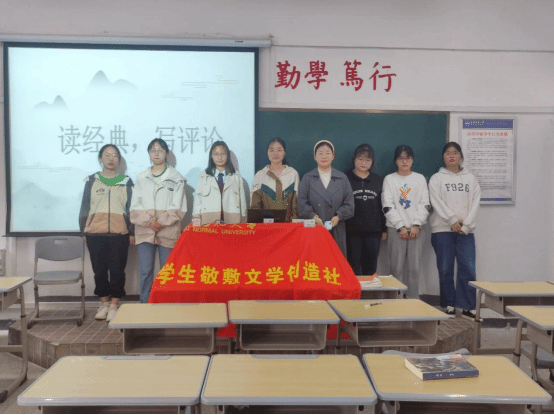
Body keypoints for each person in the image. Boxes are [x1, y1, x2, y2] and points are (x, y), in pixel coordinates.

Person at [79, 144, 134, 322]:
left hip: (120, 234)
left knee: (118, 271)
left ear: (119, 159)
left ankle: (114, 305)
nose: (111, 158)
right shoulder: (92, 180)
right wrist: (83, 231)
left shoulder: (126, 181)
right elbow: (84, 207)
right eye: (107, 155)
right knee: (99, 271)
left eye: (115, 155)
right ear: (100, 158)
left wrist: (132, 231)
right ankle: (104, 304)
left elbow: (132, 209)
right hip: (95, 233)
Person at [130, 139, 187, 303]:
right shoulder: (141, 177)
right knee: (145, 272)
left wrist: (161, 221)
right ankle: (145, 305)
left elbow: (179, 207)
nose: (156, 153)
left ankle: (167, 306)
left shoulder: (176, 178)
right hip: (145, 230)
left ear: (166, 153)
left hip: (167, 230)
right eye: (153, 150)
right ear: (149, 153)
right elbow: (135, 206)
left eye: (160, 150)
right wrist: (149, 222)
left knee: (167, 272)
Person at [429, 142, 481, 319]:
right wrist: (451, 220)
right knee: (445, 269)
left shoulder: (471, 179)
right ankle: (449, 304)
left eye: (455, 153)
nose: (452, 156)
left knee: (468, 268)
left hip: (465, 231)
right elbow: (436, 202)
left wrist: (466, 225)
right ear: (443, 157)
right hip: (442, 230)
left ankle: (468, 306)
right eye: (448, 153)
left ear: (461, 156)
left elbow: (475, 203)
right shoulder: (436, 178)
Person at [382, 145, 430, 299]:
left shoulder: (420, 178)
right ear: (395, 161)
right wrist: (400, 227)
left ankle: (413, 300)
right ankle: (396, 300)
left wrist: (416, 225)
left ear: (412, 160)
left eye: (408, 158)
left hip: (417, 230)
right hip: (395, 230)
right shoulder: (389, 179)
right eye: (401, 158)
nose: (404, 161)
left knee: (414, 269)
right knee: (396, 268)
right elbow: (387, 206)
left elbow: (425, 204)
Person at [298, 140, 354, 257]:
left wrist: (339, 216)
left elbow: (349, 204)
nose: (324, 156)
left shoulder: (342, 178)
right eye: (320, 153)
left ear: (333, 156)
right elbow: (302, 203)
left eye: (328, 153)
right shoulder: (307, 178)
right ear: (315, 156)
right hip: (314, 228)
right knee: (315, 261)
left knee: (335, 261)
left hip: (337, 229)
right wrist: (312, 216)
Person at [345, 144, 387, 275]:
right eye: (360, 159)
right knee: (353, 268)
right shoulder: (345, 179)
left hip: (373, 232)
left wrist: (384, 229)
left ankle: (369, 290)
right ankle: (355, 290)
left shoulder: (378, 180)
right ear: (354, 159)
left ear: (372, 162)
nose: (364, 163)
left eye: (368, 160)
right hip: (351, 231)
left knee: (370, 268)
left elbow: (383, 206)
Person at [192, 140, 247, 224]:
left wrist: (243, 221)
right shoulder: (204, 175)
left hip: (232, 221)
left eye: (223, 154)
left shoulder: (236, 176)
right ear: (211, 156)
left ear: (227, 155)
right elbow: (198, 199)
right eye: (216, 154)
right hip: (209, 221)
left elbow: (242, 201)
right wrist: (196, 219)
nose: (220, 157)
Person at [251, 137, 300, 222]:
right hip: (266, 226)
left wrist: (293, 224)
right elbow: (255, 206)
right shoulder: (260, 175)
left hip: (289, 225)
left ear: (284, 152)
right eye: (272, 150)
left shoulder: (293, 174)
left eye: (279, 150)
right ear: (267, 153)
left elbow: (296, 203)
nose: (275, 153)